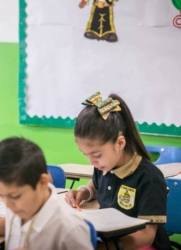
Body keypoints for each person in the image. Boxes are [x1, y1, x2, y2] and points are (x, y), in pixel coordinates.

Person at [65, 92, 171, 250]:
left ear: (120, 143)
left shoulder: (149, 178)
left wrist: (104, 248)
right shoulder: (104, 166)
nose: (92, 161)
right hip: (111, 239)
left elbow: (146, 236)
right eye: (85, 154)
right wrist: (83, 191)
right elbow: (95, 186)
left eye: (96, 155)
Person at [0, 137, 92, 250]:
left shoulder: (69, 229)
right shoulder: (21, 205)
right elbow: (12, 224)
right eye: (1, 195)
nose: (8, 204)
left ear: (42, 183)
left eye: (14, 196)